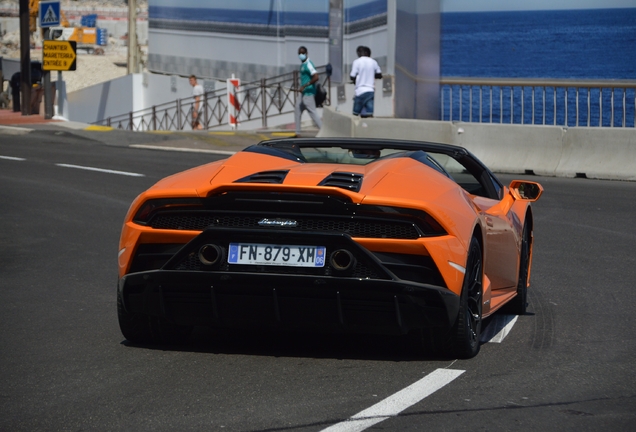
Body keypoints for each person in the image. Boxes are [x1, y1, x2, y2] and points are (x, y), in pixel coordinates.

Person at [294, 46, 322, 136]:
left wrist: (305, 86)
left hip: (309, 93)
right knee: (297, 109)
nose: (301, 55)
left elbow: (316, 77)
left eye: (302, 53)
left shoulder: (309, 64)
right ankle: (298, 133)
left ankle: (323, 131)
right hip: (303, 93)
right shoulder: (303, 64)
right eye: (299, 53)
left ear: (306, 53)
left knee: (313, 113)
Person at [350, 46, 382, 118]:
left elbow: (352, 76)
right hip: (370, 90)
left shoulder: (356, 62)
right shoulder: (374, 62)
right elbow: (379, 74)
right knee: (369, 113)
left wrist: (356, 80)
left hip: (360, 91)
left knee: (355, 114)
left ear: (359, 53)